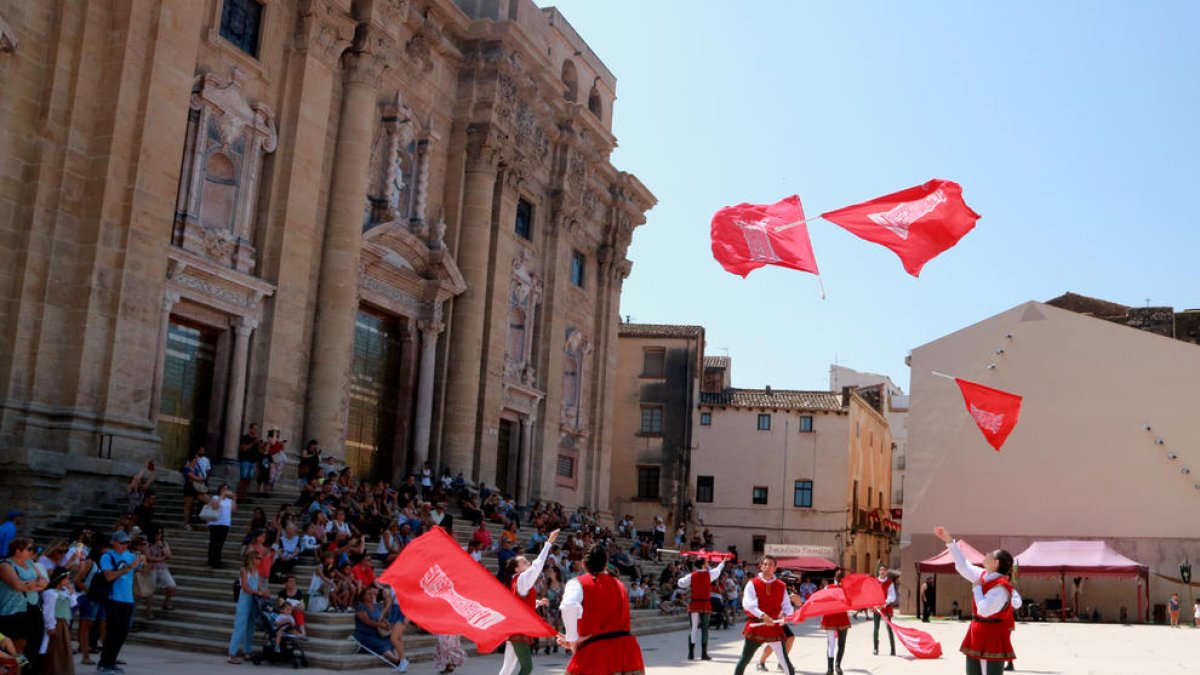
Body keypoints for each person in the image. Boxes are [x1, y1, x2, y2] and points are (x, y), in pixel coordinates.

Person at [935, 526, 1022, 675]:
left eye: (990, 554)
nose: (986, 555)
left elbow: (984, 610)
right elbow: (963, 565)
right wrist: (950, 542)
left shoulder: (1000, 588)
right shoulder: (983, 575)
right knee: (973, 670)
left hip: (992, 633)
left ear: (996, 563)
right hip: (978, 630)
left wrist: (976, 588)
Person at [558, 544, 644, 675]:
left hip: (596, 655)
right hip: (628, 653)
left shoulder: (577, 583)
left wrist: (572, 638)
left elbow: (568, 605)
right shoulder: (620, 585)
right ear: (606, 564)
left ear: (583, 564)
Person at [499, 529, 559, 675]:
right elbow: (538, 565)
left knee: (507, 668)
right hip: (519, 630)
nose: (528, 563)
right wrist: (548, 543)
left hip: (515, 628)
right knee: (527, 668)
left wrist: (537, 602)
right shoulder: (523, 578)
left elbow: (521, 603)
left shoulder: (516, 580)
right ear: (518, 568)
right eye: (524, 562)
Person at [733, 556, 794, 675]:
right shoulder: (752, 584)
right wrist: (763, 616)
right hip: (757, 626)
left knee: (786, 663)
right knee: (745, 658)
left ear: (775, 568)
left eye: (771, 565)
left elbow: (787, 605)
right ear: (760, 566)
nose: (767, 567)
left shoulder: (781, 585)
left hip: (774, 628)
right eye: (765, 564)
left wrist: (785, 614)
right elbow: (748, 604)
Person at [98, 530, 144, 675]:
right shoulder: (108, 556)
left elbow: (142, 569)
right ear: (114, 542)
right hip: (114, 599)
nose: (124, 546)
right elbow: (109, 576)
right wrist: (128, 568)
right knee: (113, 631)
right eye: (121, 543)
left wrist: (143, 560)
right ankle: (104, 662)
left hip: (128, 599)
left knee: (122, 633)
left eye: (126, 543)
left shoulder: (130, 556)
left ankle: (111, 661)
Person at [0, 537, 46, 672]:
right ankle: (15, 669)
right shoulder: (5, 565)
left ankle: (23, 669)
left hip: (31, 610)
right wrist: (36, 583)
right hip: (12, 611)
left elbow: (44, 582)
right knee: (12, 646)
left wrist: (34, 583)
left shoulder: (30, 563)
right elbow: (18, 586)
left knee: (27, 645)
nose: (33, 551)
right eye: (29, 549)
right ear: (18, 550)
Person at [677, 556, 726, 660]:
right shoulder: (709, 574)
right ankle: (704, 654)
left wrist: (681, 573)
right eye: (707, 562)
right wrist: (723, 561)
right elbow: (718, 570)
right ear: (703, 564)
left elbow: (681, 583)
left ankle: (691, 654)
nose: (708, 563)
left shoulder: (692, 575)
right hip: (705, 603)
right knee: (705, 629)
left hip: (694, 603)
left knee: (693, 629)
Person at [228, 549, 270, 664]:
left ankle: (248, 651)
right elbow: (246, 588)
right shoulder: (244, 570)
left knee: (251, 627)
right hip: (245, 600)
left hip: (254, 601)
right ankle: (232, 654)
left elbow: (259, 586)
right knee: (240, 626)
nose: (260, 560)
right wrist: (260, 592)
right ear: (252, 559)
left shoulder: (257, 571)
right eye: (259, 558)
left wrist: (264, 592)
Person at [352, 586, 406, 668]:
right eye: (368, 594)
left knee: (391, 640)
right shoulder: (361, 607)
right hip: (364, 634)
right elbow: (368, 622)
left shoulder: (375, 606)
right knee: (380, 644)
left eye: (372, 594)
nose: (371, 596)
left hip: (377, 633)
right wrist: (381, 626)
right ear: (363, 596)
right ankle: (395, 660)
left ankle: (399, 658)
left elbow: (380, 618)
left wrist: (387, 624)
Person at [40, 568, 76, 675]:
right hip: (56, 623)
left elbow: (73, 603)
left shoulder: (64, 592)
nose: (68, 581)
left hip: (64, 622)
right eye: (66, 579)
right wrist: (50, 626)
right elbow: (48, 610)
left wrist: (71, 591)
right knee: (54, 648)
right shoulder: (50, 593)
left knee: (63, 648)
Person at [820, 572, 851, 675]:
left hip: (833, 617)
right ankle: (835, 667)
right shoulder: (843, 589)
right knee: (838, 644)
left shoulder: (829, 587)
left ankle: (832, 668)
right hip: (837, 618)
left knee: (833, 644)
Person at [206, 484, 236, 568]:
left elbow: (233, 509)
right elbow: (215, 506)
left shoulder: (228, 500)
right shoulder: (215, 498)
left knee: (220, 543)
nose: (225, 490)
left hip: (225, 523)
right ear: (220, 489)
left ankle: (218, 560)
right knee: (214, 542)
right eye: (224, 488)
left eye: (227, 488)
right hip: (215, 523)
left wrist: (234, 498)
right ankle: (211, 560)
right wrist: (221, 496)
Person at [872, 564, 897, 656]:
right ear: (879, 571)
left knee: (889, 628)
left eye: (884, 570)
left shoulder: (890, 582)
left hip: (886, 608)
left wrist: (884, 603)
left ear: (886, 572)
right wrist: (874, 604)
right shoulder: (875, 581)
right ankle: (875, 648)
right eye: (881, 570)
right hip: (877, 608)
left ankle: (893, 649)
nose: (882, 571)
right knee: (876, 628)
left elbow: (892, 596)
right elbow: (873, 594)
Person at [236, 423, 261, 501]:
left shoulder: (256, 439)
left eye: (256, 429)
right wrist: (253, 443)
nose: (255, 431)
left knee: (249, 479)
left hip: (253, 461)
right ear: (250, 429)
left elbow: (258, 451)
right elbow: (244, 449)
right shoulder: (245, 438)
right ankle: (238, 495)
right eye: (254, 429)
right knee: (243, 478)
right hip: (245, 460)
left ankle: (244, 494)